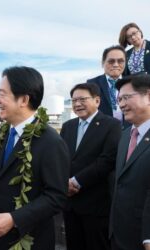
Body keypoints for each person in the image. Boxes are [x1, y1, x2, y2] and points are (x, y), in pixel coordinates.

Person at [0, 66, 70, 250]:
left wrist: (14, 219)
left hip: (30, 239)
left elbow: (56, 197)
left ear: (24, 100)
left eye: (3, 94)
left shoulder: (51, 142)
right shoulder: (5, 133)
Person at [60, 83, 121, 250]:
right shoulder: (68, 126)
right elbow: (62, 158)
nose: (77, 104)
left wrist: (76, 182)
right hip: (70, 204)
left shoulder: (112, 125)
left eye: (82, 99)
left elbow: (107, 160)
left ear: (97, 101)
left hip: (96, 203)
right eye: (74, 100)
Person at [109, 75, 150, 250]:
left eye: (126, 97)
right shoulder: (125, 135)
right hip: (118, 233)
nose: (122, 104)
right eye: (119, 99)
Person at [87, 45, 129, 128]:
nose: (116, 65)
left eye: (120, 61)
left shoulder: (132, 83)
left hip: (128, 134)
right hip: (102, 132)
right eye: (111, 61)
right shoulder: (92, 84)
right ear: (103, 63)